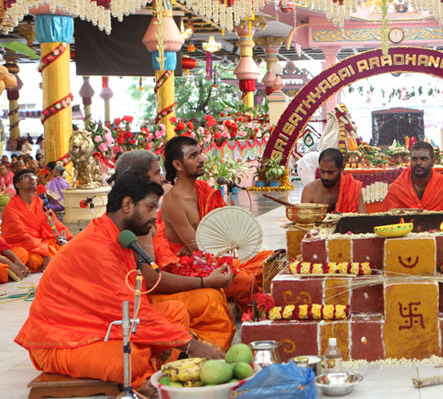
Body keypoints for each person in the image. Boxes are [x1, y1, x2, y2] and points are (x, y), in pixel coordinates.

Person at [15, 175, 224, 398]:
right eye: (150, 208)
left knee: (175, 312)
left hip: (100, 324)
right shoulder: (99, 246)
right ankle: (144, 376)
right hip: (62, 340)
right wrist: (191, 346)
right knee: (128, 358)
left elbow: (134, 307)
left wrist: (176, 340)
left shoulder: (115, 235)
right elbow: (130, 312)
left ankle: (152, 370)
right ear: (127, 205)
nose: (155, 216)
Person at [113, 150, 236, 350]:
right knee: (210, 298)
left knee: (214, 290)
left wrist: (177, 258)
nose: (163, 178)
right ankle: (209, 355)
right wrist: (204, 281)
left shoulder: (145, 208)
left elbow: (157, 257)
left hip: (159, 282)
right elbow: (152, 281)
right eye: (157, 173)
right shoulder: (134, 215)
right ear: (140, 179)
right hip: (143, 298)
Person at [153, 136, 269, 313]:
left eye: (200, 153)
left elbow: (224, 229)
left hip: (212, 257)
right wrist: (201, 246)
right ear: (177, 165)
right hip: (192, 269)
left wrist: (204, 244)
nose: (202, 159)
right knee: (246, 281)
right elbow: (200, 249)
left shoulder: (202, 188)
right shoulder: (173, 202)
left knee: (270, 259)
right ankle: (253, 311)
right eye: (193, 156)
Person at [1, 169, 73, 272]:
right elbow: (21, 235)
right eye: (26, 177)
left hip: (44, 243)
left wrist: (70, 238)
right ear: (18, 185)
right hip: (27, 247)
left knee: (68, 250)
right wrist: (44, 252)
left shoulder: (40, 202)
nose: (32, 178)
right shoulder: (11, 208)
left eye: (33, 177)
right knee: (35, 261)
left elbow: (54, 224)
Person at [382, 141, 443, 211]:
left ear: (433, 162)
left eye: (423, 159)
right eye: (414, 159)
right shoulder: (398, 187)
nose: (418, 163)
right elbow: (388, 218)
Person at [301, 148, 366, 213]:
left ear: (342, 168)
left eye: (330, 172)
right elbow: (303, 219)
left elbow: (363, 218)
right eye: (322, 171)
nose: (325, 177)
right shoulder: (310, 190)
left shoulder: (353, 188)